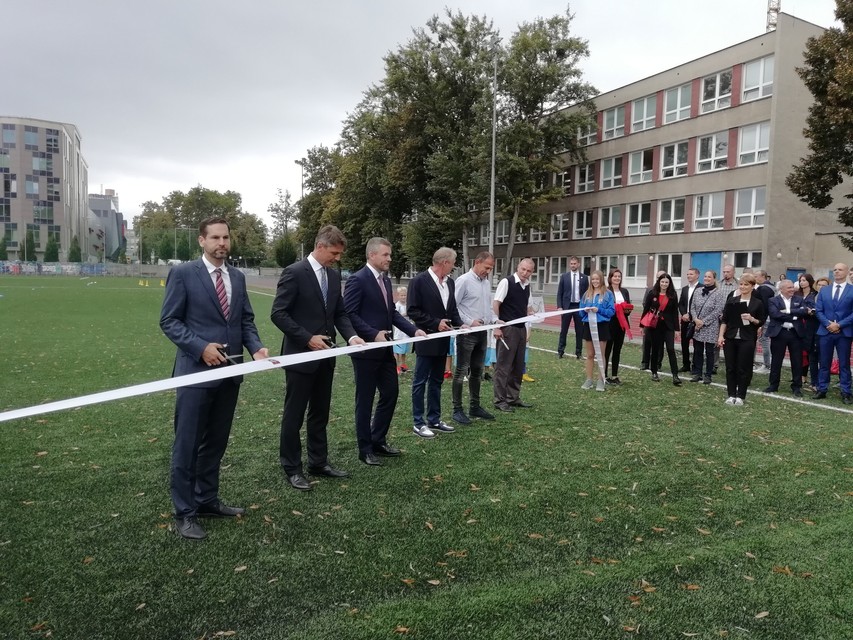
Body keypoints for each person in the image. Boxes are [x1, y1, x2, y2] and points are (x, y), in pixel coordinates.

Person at [160, 217, 269, 540]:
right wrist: (200, 347)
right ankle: (185, 512)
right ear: (202, 241)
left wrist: (256, 347)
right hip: (195, 375)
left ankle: (206, 500)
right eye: (215, 238)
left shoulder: (237, 276)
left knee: (216, 443)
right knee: (187, 446)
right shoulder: (183, 274)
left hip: (230, 375)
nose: (222, 243)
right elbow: (169, 321)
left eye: (226, 238)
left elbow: (245, 320)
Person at [271, 225, 365, 492]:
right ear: (320, 246)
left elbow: (339, 313)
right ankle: (292, 468)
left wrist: (352, 337)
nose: (337, 258)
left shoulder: (333, 276)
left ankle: (318, 462)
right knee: (294, 415)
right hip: (300, 357)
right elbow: (278, 313)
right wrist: (307, 338)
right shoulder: (294, 272)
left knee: (320, 412)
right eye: (334, 253)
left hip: (327, 357)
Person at [343, 238, 425, 466]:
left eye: (390, 254)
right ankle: (365, 449)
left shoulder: (386, 280)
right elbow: (349, 314)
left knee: (390, 393)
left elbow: (392, 313)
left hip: (385, 350)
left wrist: (414, 330)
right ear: (372, 255)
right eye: (385, 255)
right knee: (365, 400)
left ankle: (378, 440)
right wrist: (372, 334)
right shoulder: (357, 280)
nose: (390, 258)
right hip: (365, 352)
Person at [407, 247, 465, 437]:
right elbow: (413, 310)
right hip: (426, 339)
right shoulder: (418, 281)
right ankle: (418, 422)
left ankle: (434, 419)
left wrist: (461, 324)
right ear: (444, 263)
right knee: (420, 382)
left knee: (437, 381)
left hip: (443, 341)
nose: (453, 267)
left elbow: (452, 310)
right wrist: (435, 323)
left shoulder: (450, 283)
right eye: (453, 263)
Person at [452, 251, 497, 425]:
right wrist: (470, 322)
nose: (489, 271)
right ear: (477, 262)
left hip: (482, 333)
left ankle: (475, 406)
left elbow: (488, 307)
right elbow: (453, 307)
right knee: (461, 371)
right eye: (487, 267)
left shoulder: (486, 283)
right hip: (467, 333)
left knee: (477, 371)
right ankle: (457, 410)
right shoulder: (463, 281)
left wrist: (495, 320)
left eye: (491, 268)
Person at [492, 257, 535, 412]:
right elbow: (496, 304)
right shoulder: (506, 282)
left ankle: (513, 397)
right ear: (518, 267)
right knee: (503, 366)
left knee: (518, 366)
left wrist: (532, 314)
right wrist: (497, 325)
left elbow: (528, 308)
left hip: (521, 328)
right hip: (508, 329)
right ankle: (500, 400)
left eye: (528, 271)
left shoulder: (527, 286)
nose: (525, 273)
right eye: (523, 269)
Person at [717, 274, 766, 406]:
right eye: (741, 284)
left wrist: (751, 319)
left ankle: (740, 396)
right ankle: (731, 395)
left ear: (752, 286)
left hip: (747, 338)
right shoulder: (732, 300)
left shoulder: (758, 303)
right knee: (730, 367)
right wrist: (721, 336)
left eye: (746, 284)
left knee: (743, 368)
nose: (743, 287)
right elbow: (725, 320)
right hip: (731, 338)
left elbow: (761, 321)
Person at [813, 263, 853, 404]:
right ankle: (822, 389)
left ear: (847, 272)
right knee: (824, 362)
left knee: (844, 364)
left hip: (844, 333)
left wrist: (839, 325)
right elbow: (818, 310)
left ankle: (846, 392)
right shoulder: (824, 290)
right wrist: (828, 324)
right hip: (826, 332)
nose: (836, 271)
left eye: (840, 269)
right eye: (835, 269)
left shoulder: (852, 290)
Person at [763, 279, 806, 397]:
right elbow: (775, 314)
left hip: (795, 333)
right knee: (776, 360)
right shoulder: (773, 300)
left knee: (797, 361)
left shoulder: (799, 299)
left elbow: (804, 312)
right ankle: (773, 384)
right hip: (779, 333)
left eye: (792, 287)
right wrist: (794, 316)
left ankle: (796, 387)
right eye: (789, 287)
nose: (792, 289)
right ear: (781, 289)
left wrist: (788, 311)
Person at [643, 272, 683, 385]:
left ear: (669, 283)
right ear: (659, 282)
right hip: (655, 326)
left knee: (670, 349)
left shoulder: (673, 295)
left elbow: (675, 313)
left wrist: (677, 329)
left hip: (668, 327)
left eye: (666, 282)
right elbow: (646, 309)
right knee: (655, 349)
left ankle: (675, 375)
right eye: (662, 282)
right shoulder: (652, 293)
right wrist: (642, 325)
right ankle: (654, 372)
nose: (664, 284)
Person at [579, 270, 615, 391]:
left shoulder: (608, 294)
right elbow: (580, 311)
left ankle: (601, 380)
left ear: (601, 280)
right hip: (588, 326)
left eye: (597, 279)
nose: (595, 281)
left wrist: (598, 310)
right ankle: (589, 380)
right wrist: (585, 310)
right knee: (590, 355)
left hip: (601, 326)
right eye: (593, 279)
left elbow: (611, 311)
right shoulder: (587, 294)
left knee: (600, 354)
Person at [689, 270, 726, 385]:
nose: (706, 278)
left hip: (711, 326)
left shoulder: (719, 293)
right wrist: (696, 319)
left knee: (710, 352)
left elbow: (718, 310)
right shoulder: (698, 291)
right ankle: (698, 373)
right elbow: (692, 307)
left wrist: (703, 322)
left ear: (714, 279)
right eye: (705, 276)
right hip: (697, 326)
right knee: (698, 350)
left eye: (709, 277)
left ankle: (708, 375)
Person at [556, 256, 588, 359]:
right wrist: (559, 306)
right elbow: (559, 293)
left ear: (578, 264)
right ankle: (560, 351)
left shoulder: (584, 278)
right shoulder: (564, 277)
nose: (573, 265)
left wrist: (586, 306)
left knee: (579, 331)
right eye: (571, 263)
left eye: (574, 263)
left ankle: (578, 352)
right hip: (567, 306)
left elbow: (587, 294)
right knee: (564, 330)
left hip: (579, 307)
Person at [604, 268, 632, 385]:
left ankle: (615, 375)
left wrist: (626, 310)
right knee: (607, 350)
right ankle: (604, 375)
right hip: (610, 324)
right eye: (615, 276)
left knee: (617, 350)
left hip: (622, 325)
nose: (617, 278)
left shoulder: (624, 291)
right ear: (610, 278)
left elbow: (628, 307)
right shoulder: (606, 291)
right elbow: (605, 307)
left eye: (619, 276)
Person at [641, 270, 667, 370]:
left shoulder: (669, 292)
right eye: (658, 277)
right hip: (649, 320)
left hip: (661, 322)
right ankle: (645, 362)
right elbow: (645, 304)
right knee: (646, 342)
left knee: (659, 343)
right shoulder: (650, 290)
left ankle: (657, 363)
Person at [752, 270, 776, 374]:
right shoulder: (771, 287)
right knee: (764, 341)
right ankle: (767, 365)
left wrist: (761, 323)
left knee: (764, 341)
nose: (755, 278)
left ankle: (767, 365)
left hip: (765, 319)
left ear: (763, 276)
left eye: (756, 276)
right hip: (768, 318)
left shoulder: (764, 289)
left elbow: (764, 306)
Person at [799, 273, 819, 390]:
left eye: (804, 280)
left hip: (811, 326)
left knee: (810, 353)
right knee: (800, 352)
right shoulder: (797, 294)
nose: (802, 282)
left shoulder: (815, 294)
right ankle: (802, 375)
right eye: (800, 280)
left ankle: (814, 380)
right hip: (799, 325)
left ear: (810, 281)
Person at [678, 267, 700, 373]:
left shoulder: (701, 288)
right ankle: (686, 364)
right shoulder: (684, 289)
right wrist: (683, 314)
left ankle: (695, 366)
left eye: (691, 274)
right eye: (687, 274)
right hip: (685, 320)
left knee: (696, 344)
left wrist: (690, 315)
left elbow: (699, 306)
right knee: (684, 343)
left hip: (695, 321)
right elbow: (681, 304)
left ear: (697, 275)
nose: (688, 276)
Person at [393, 286, 411, 373]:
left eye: (405, 295)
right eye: (402, 295)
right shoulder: (397, 305)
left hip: (406, 332)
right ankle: (396, 367)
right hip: (399, 332)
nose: (403, 297)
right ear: (398, 296)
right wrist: (404, 314)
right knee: (397, 351)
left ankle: (403, 366)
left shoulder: (407, 305)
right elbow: (396, 316)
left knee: (404, 350)